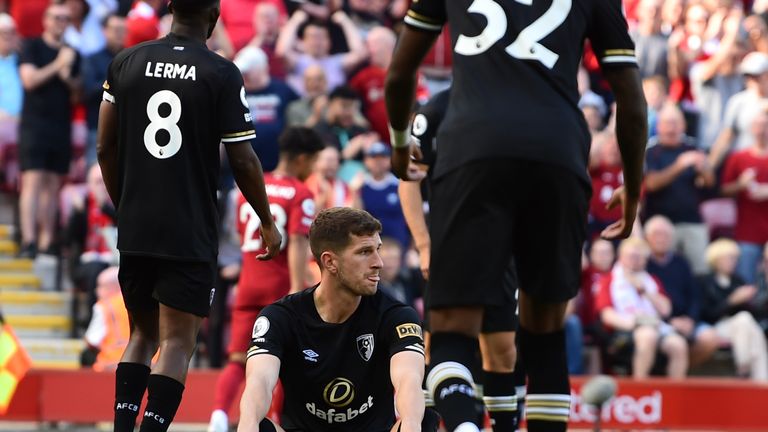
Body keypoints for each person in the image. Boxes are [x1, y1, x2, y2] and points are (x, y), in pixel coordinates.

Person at [385, 1, 648, 431]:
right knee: (544, 336)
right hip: (559, 154)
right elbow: (632, 101)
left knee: (451, 330)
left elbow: (399, 73)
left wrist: (399, 144)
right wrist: (634, 185)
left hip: (473, 150)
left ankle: (464, 426)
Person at [97, 1, 282, 431]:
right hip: (190, 227)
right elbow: (243, 159)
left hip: (137, 223)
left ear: (169, 9)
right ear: (214, 18)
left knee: (141, 335)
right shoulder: (221, 72)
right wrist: (267, 221)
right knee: (178, 342)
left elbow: (105, 146)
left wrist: (125, 202)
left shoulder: (125, 61)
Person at [237, 207, 427, 432]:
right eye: (365, 252)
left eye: (378, 249)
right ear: (330, 262)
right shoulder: (280, 317)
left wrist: (412, 424)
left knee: (422, 422)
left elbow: (409, 381)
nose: (379, 262)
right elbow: (259, 382)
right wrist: (247, 425)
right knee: (256, 425)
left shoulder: (396, 315)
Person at [400, 88, 522, 432]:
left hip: (504, 251)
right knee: (439, 341)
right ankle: (447, 425)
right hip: (452, 245)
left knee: (502, 351)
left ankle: (487, 425)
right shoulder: (437, 109)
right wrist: (424, 244)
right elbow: (408, 181)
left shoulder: (518, 102)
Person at [208, 127, 324, 432]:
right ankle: (275, 420)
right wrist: (297, 288)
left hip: (248, 282)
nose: (313, 169)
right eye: (313, 162)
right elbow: (298, 242)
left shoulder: (251, 186)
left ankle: (218, 416)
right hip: (279, 286)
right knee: (282, 361)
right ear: (301, 160)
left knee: (237, 359)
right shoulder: (301, 193)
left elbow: (237, 233)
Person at [17, 2, 82, 258]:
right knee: (32, 181)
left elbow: (77, 95)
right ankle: (29, 240)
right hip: (35, 123)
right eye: (56, 18)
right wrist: (58, 65)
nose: (60, 23)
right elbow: (30, 80)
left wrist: (68, 77)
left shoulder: (72, 53)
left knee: (53, 184)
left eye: (65, 19)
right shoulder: (32, 46)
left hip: (60, 124)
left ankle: (46, 241)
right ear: (46, 20)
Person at [596, 237, 688, 379]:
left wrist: (645, 291)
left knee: (678, 345)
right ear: (621, 256)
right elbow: (607, 315)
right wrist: (636, 322)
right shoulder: (609, 279)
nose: (635, 260)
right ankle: (641, 385)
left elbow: (666, 310)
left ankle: (675, 391)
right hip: (624, 330)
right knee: (647, 335)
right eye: (631, 256)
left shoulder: (651, 280)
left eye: (639, 257)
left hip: (656, 326)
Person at [644, 104, 711, 275]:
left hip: (691, 220)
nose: (671, 127)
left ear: (683, 126)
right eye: (667, 123)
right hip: (660, 220)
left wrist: (703, 169)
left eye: (675, 123)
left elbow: (709, 184)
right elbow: (651, 184)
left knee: (700, 271)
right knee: (661, 271)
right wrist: (679, 166)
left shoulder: (693, 148)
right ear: (658, 126)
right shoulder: (651, 151)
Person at [644, 215, 719, 366]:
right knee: (674, 343)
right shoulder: (643, 264)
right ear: (647, 238)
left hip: (686, 320)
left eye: (665, 235)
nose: (661, 239)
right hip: (657, 322)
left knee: (710, 338)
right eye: (657, 234)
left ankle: (681, 372)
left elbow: (695, 296)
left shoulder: (681, 262)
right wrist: (670, 321)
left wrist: (690, 319)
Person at [699, 239, 768, 381]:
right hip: (715, 328)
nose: (734, 262)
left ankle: (758, 380)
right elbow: (707, 315)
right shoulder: (704, 281)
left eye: (735, 258)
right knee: (744, 320)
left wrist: (750, 301)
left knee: (752, 328)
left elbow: (752, 312)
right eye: (729, 258)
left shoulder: (738, 280)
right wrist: (731, 301)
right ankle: (748, 372)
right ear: (716, 258)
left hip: (742, 329)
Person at [721, 106, 768, 284]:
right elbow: (724, 190)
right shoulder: (739, 157)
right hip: (748, 232)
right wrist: (741, 184)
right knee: (746, 281)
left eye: (765, 125)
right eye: (758, 125)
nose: (761, 130)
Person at [234, 45, 298, 172]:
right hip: (244, 160)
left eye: (247, 72)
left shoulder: (282, 90)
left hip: (277, 159)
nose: (244, 75)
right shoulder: (235, 92)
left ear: (261, 69)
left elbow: (298, 112)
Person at [82, 13, 125, 168]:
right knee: (95, 171)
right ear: (104, 31)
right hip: (97, 126)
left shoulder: (131, 58)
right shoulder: (93, 59)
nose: (120, 33)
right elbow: (88, 91)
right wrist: (115, 80)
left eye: (123, 29)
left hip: (124, 127)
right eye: (115, 29)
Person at [81, 266, 129, 372]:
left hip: (110, 364)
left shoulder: (104, 306)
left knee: (86, 355)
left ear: (113, 287)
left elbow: (92, 341)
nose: (97, 291)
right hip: (148, 364)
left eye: (100, 286)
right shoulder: (142, 304)